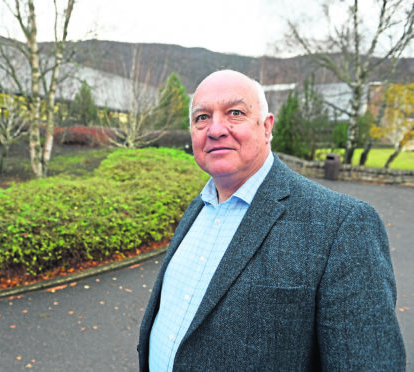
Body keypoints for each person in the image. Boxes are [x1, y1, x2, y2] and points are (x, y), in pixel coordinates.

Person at [137, 69, 405, 371]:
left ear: (266, 127)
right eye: (202, 117)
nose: (215, 129)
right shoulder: (197, 209)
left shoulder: (342, 225)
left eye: (235, 113)